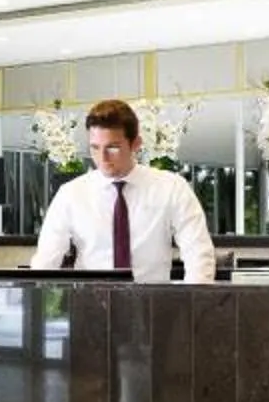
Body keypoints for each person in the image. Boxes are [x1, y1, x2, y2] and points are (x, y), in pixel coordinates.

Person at [29, 99, 216, 282]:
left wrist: (194, 306)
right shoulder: (70, 194)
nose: (102, 157)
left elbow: (198, 255)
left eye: (112, 147)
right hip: (90, 305)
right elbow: (45, 261)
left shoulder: (171, 188)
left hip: (153, 304)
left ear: (135, 144)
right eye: (95, 147)